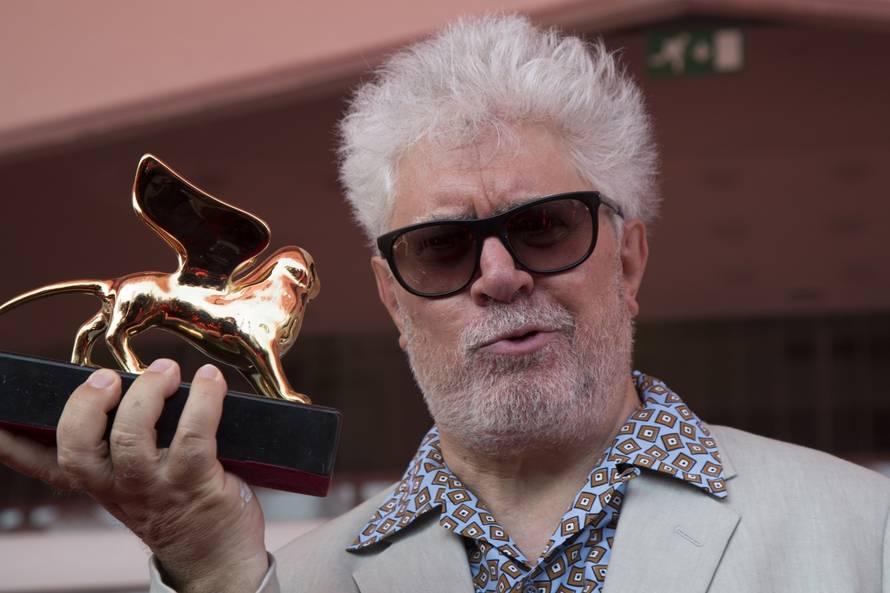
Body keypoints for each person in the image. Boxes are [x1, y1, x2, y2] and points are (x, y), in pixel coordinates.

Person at [1, 14, 888, 593]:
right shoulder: (259, 580)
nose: (497, 275)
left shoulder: (863, 534)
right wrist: (208, 565)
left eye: (544, 226)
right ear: (392, 299)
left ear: (631, 257)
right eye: (440, 247)